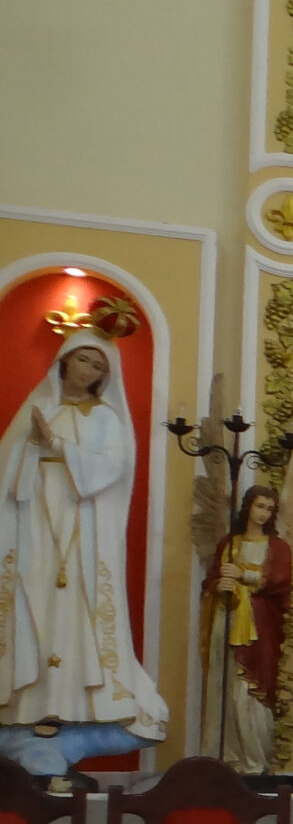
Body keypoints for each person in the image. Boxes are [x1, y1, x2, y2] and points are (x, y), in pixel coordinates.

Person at [0, 328, 171, 772]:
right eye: (84, 360)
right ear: (65, 361)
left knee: (73, 614)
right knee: (32, 609)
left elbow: (110, 467)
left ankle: (70, 708)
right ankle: (27, 708)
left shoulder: (105, 418)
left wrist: (56, 445)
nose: (90, 370)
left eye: (99, 366)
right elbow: (8, 474)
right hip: (35, 526)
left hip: (81, 530)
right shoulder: (40, 409)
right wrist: (32, 448)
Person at [200, 482, 293, 774]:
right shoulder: (229, 543)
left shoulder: (277, 547)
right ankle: (226, 758)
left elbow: (280, 581)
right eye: (259, 506)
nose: (264, 513)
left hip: (258, 626)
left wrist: (245, 575)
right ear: (248, 507)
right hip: (226, 621)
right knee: (224, 687)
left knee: (250, 690)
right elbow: (211, 579)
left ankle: (255, 761)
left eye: (269, 508)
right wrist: (219, 585)